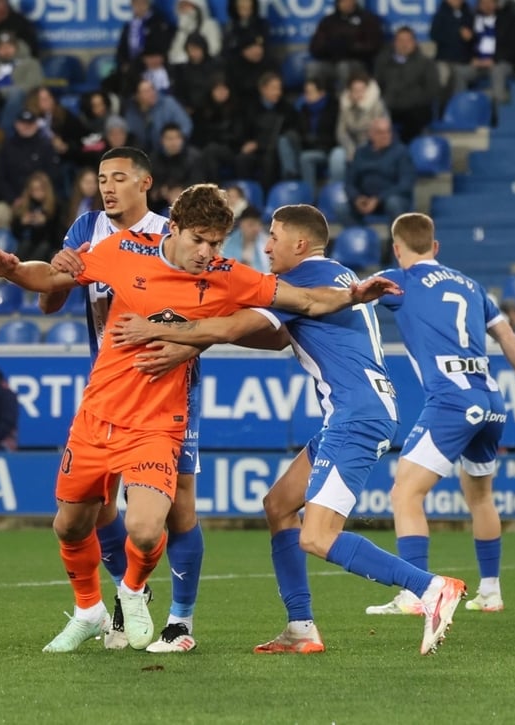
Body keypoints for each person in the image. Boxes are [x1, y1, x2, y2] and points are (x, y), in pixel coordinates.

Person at [0, 185, 402, 654]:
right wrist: (14, 271)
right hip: (99, 413)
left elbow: (305, 302)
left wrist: (355, 294)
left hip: (160, 421)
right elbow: (53, 281)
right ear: (174, 229)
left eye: (217, 243)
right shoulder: (121, 251)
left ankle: (136, 593)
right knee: (70, 525)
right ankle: (88, 609)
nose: (208, 253)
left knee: (146, 527)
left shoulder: (227, 275)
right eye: (199, 240)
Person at [109, 205, 468, 656]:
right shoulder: (335, 275)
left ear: (299, 245)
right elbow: (275, 336)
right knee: (279, 505)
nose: (266, 245)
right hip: (362, 409)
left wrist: (168, 330)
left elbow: (235, 324)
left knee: (316, 536)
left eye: (274, 236)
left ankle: (430, 587)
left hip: (355, 414)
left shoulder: (301, 281)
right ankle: (300, 627)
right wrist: (196, 341)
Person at [37, 147, 198, 653]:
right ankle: (130, 599)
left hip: (167, 389)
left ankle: (181, 622)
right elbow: (49, 299)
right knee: (94, 507)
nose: (107, 187)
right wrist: (62, 268)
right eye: (101, 178)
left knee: (177, 511)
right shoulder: (87, 228)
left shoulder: (170, 233)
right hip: (106, 391)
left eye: (119, 178)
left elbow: (204, 302)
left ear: (145, 182)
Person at [359, 213, 515, 618]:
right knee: (480, 496)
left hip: (451, 400)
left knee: (405, 493)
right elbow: (507, 335)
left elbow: (353, 295)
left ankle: (416, 592)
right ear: (436, 247)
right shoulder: (471, 285)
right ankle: (491, 592)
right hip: (492, 400)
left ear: (396, 248)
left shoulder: (400, 278)